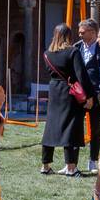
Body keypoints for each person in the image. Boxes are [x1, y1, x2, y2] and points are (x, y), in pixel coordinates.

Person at [40, 24, 92, 176]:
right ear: (68, 36)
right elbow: (81, 74)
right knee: (71, 128)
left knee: (50, 128)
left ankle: (45, 165)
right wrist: (89, 95)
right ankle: (71, 167)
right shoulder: (73, 52)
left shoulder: (47, 54)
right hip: (69, 93)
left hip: (54, 91)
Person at [76, 19, 100, 173]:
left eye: (82, 32)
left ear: (92, 32)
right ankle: (72, 161)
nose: (79, 35)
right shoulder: (76, 48)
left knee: (95, 129)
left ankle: (93, 160)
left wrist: (97, 93)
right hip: (79, 95)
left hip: (96, 95)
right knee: (76, 127)